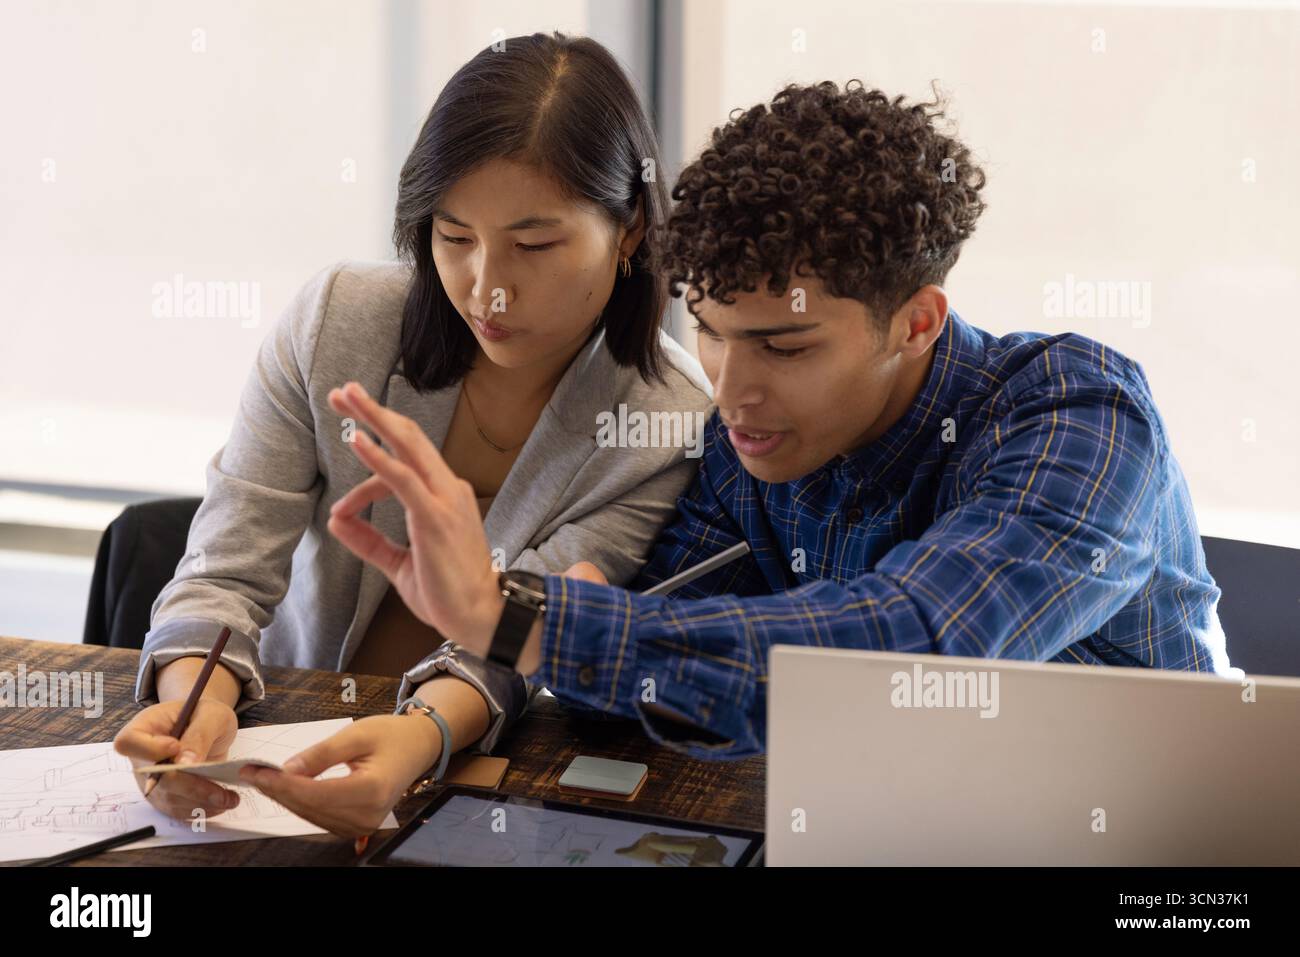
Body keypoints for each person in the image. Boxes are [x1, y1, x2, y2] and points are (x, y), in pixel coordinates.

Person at [268, 80, 1229, 819]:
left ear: (917, 321)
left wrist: (520, 617)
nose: (729, 389)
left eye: (785, 345)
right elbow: (647, 662)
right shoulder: (746, 447)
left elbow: (910, 652)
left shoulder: (1082, 418)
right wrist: (522, 650)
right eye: (716, 332)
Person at [112, 32, 712, 833]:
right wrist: (191, 706)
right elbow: (223, 571)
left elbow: (526, 634)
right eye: (454, 235)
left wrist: (421, 736)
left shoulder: (665, 425)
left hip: (480, 785)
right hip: (268, 752)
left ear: (632, 229)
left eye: (534, 243)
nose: (486, 286)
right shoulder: (337, 324)